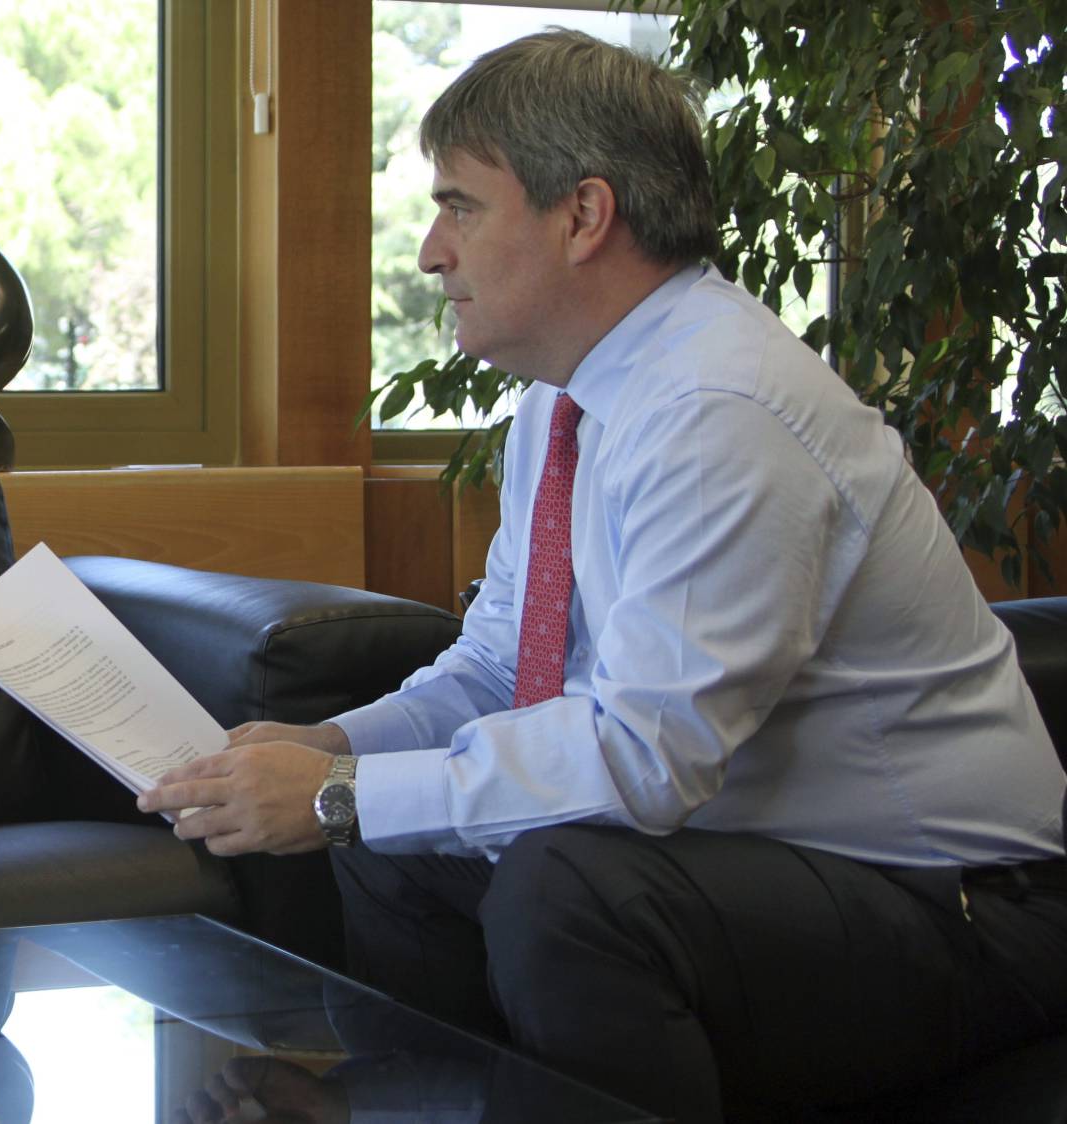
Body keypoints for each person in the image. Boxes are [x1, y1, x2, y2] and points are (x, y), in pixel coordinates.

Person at [138, 30, 1067, 1123]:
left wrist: (337, 797)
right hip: (760, 864)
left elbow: (645, 758)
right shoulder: (563, 402)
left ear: (583, 215)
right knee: (391, 844)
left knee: (563, 885)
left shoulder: (719, 411)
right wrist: (332, 749)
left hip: (961, 906)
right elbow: (497, 666)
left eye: (460, 207)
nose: (432, 252)